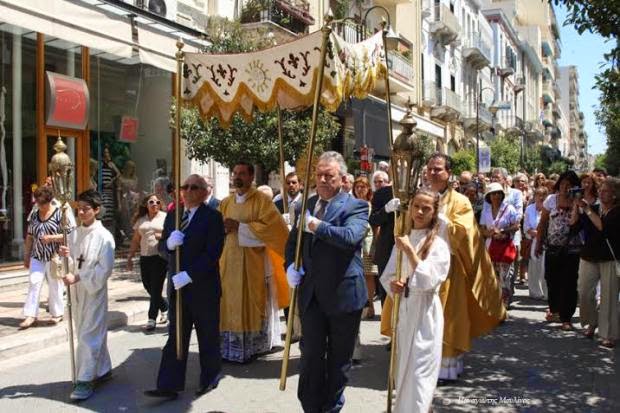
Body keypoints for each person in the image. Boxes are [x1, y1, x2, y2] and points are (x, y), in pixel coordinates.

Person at [285, 151, 368, 413]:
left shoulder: (356, 206)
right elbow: (292, 244)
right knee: (310, 356)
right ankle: (311, 407)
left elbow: (350, 237)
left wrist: (317, 226)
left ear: (342, 178)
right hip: (311, 295)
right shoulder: (303, 205)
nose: (322, 180)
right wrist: (290, 265)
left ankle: (331, 407)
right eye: (318, 175)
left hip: (343, 294)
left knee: (338, 360)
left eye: (328, 175)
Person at [425, 153, 505, 383]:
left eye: (438, 169)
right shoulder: (420, 196)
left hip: (450, 267)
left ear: (448, 173)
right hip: (422, 265)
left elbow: (465, 232)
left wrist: (441, 221)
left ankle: (446, 366)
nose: (433, 173)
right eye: (430, 168)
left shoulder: (460, 201)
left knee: (447, 316)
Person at [145, 175, 225, 399]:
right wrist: (169, 244)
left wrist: (190, 275)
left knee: (207, 335)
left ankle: (210, 377)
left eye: (194, 187)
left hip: (203, 287)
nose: (188, 191)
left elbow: (213, 253)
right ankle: (168, 384)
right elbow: (162, 247)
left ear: (205, 192)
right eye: (185, 187)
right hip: (178, 288)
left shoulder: (213, 217)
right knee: (176, 336)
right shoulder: (173, 215)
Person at [380, 189, 450, 413]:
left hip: (425, 314)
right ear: (409, 208)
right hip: (405, 311)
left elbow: (430, 279)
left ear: (434, 212)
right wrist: (395, 285)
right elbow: (389, 275)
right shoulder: (403, 239)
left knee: (420, 377)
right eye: (416, 206)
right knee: (404, 373)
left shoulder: (438, 244)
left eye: (426, 208)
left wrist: (411, 252)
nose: (419, 212)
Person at [219, 162, 290, 363]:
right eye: (235, 173)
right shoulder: (225, 203)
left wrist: (240, 226)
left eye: (242, 173)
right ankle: (229, 348)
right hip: (229, 259)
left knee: (252, 301)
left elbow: (275, 230)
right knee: (229, 301)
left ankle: (253, 347)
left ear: (251, 177)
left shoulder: (262, 201)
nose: (237, 177)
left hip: (253, 261)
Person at [58, 190, 115, 401]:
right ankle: (103, 369)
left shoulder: (104, 237)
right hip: (77, 291)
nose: (81, 212)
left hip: (94, 291)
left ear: (97, 210)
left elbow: (104, 269)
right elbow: (74, 261)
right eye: (79, 208)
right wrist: (67, 259)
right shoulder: (74, 233)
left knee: (88, 335)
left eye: (86, 209)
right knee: (83, 329)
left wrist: (79, 277)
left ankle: (84, 380)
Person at [535, 170, 582, 330]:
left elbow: (577, 223)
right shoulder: (551, 199)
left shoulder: (579, 202)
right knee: (551, 279)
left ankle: (566, 318)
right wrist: (538, 243)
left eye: (569, 185)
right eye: (562, 184)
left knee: (569, 283)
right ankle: (554, 309)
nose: (564, 187)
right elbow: (542, 223)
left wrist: (576, 202)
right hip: (553, 248)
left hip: (572, 249)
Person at [19, 186, 72, 329]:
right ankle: (30, 315)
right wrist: (26, 255)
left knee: (55, 284)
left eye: (42, 203)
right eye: (38, 202)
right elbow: (30, 237)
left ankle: (57, 313)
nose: (40, 206)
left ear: (50, 201)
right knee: (34, 281)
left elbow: (70, 235)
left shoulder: (59, 214)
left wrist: (52, 238)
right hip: (37, 255)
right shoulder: (35, 215)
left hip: (54, 256)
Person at [577, 177, 620, 348]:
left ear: (615, 195)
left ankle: (608, 333)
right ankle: (592, 321)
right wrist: (576, 207)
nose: (601, 193)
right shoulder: (593, 208)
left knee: (609, 296)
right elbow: (575, 227)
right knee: (584, 291)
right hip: (589, 255)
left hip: (610, 257)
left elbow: (603, 227)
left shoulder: (617, 212)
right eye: (600, 190)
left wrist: (587, 209)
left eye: (606, 191)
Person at [126, 194, 168, 331]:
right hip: (145, 257)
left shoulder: (165, 217)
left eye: (157, 202)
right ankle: (165, 307)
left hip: (160, 257)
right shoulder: (141, 220)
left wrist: (160, 236)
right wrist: (130, 256)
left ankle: (151, 318)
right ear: (146, 204)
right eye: (151, 202)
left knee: (156, 287)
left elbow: (171, 235)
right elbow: (136, 239)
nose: (154, 204)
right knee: (147, 285)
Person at [479, 183, 520, 306]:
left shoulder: (509, 209)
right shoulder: (485, 211)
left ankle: (504, 303)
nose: (496, 196)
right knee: (491, 276)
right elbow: (481, 228)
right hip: (489, 247)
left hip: (504, 247)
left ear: (502, 195)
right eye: (493, 194)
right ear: (489, 196)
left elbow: (516, 226)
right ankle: (494, 303)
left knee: (505, 276)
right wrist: (488, 233)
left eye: (498, 193)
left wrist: (502, 231)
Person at [353, 176, 377, 319]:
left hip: (367, 242)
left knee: (368, 274)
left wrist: (374, 245)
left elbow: (375, 226)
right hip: (355, 242)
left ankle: (371, 305)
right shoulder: (351, 203)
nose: (360, 189)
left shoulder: (370, 204)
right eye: (357, 187)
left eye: (363, 186)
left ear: (368, 189)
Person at [524, 187, 548, 300]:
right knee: (534, 267)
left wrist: (542, 235)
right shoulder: (529, 209)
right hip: (534, 240)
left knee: (545, 267)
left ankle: (547, 293)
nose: (541, 197)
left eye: (544, 195)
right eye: (539, 195)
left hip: (547, 241)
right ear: (535, 196)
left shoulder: (549, 209)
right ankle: (535, 292)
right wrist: (538, 234)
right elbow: (527, 227)